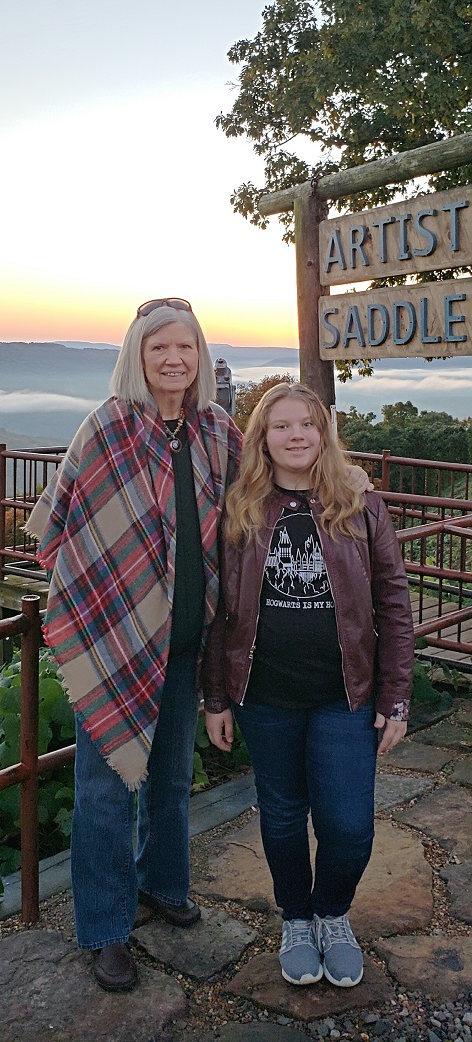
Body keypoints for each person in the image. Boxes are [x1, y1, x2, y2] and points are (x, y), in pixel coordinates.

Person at [25, 298, 243, 991]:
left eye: (185, 347)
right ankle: (106, 928)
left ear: (200, 355)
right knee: (106, 789)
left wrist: (344, 483)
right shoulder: (108, 426)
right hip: (114, 641)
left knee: (172, 777)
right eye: (159, 348)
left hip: (185, 640)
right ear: (137, 356)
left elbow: (257, 500)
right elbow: (64, 524)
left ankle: (162, 884)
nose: (174, 359)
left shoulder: (217, 431)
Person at [203, 383, 414, 991]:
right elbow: (220, 612)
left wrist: (395, 696)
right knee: (283, 816)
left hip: (345, 695)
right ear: (262, 438)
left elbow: (394, 603)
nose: (295, 435)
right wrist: (215, 697)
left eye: (307, 424)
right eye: (281, 426)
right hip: (263, 694)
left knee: (348, 825)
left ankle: (333, 912)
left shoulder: (359, 503)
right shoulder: (240, 507)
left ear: (324, 433)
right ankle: (297, 918)